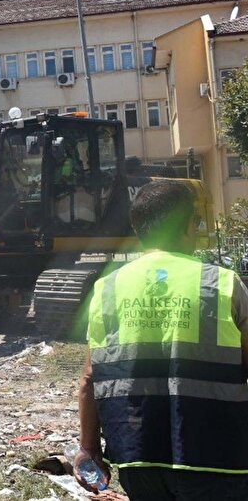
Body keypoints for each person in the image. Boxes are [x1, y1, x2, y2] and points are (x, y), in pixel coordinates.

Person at [77, 180, 248, 498]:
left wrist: (88, 448)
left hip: (137, 458)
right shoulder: (224, 285)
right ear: (188, 226)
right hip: (217, 458)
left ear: (137, 228)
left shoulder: (108, 289)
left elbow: (90, 377)